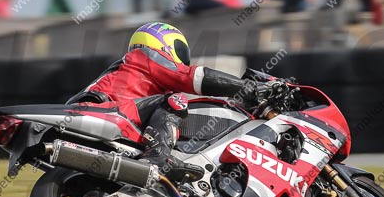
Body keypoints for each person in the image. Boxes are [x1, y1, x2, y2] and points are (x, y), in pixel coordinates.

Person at [67, 22, 267, 181]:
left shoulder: (130, 68)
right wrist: (246, 87)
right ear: (164, 43)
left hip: (98, 115)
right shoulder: (146, 56)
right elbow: (193, 77)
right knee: (175, 100)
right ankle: (158, 157)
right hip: (104, 111)